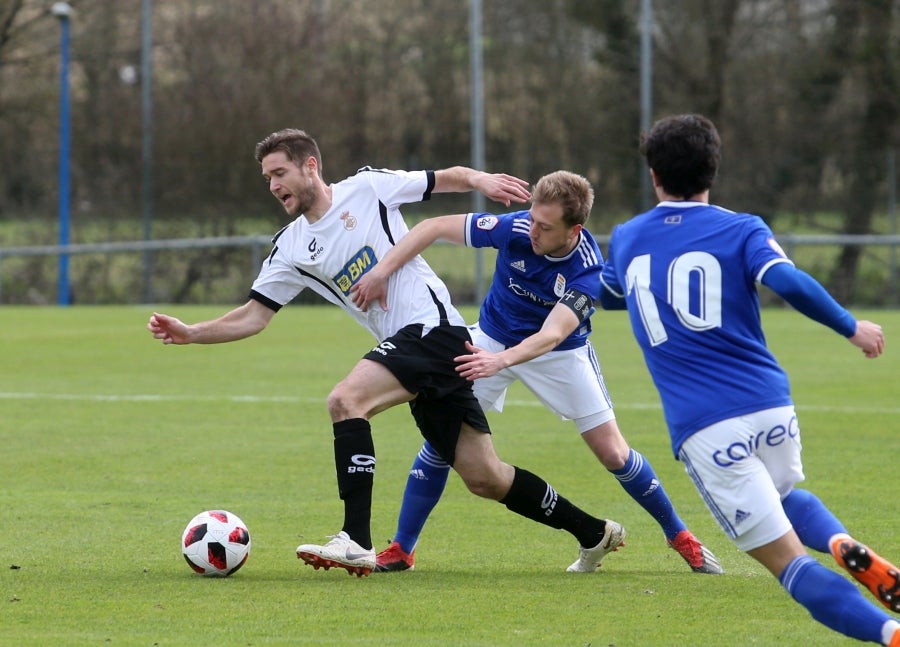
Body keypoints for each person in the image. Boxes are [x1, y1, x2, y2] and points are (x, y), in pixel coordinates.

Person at [147, 128, 627, 577]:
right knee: (485, 477)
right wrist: (192, 332)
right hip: (430, 350)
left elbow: (443, 180)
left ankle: (355, 539)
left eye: (279, 173)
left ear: (309, 166)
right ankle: (593, 531)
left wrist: (481, 179)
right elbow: (253, 315)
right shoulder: (291, 247)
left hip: (433, 327)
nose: (273, 185)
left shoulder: (368, 187)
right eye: (268, 178)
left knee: (345, 401)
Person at [598, 113, 899, 645]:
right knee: (785, 493)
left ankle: (889, 632)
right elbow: (787, 280)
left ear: (653, 175)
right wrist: (851, 327)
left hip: (705, 427)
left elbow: (604, 291)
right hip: (769, 404)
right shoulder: (742, 228)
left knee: (788, 565)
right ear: (713, 169)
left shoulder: (626, 240)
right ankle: (838, 541)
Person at [351, 170, 722, 575]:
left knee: (614, 453)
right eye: (532, 219)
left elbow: (551, 335)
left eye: (545, 227)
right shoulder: (516, 227)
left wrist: (501, 361)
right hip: (490, 340)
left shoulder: (588, 273)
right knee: (443, 439)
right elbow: (434, 226)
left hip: (559, 355)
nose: (533, 231)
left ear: (573, 229)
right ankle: (403, 549)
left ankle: (679, 535)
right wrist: (382, 271)